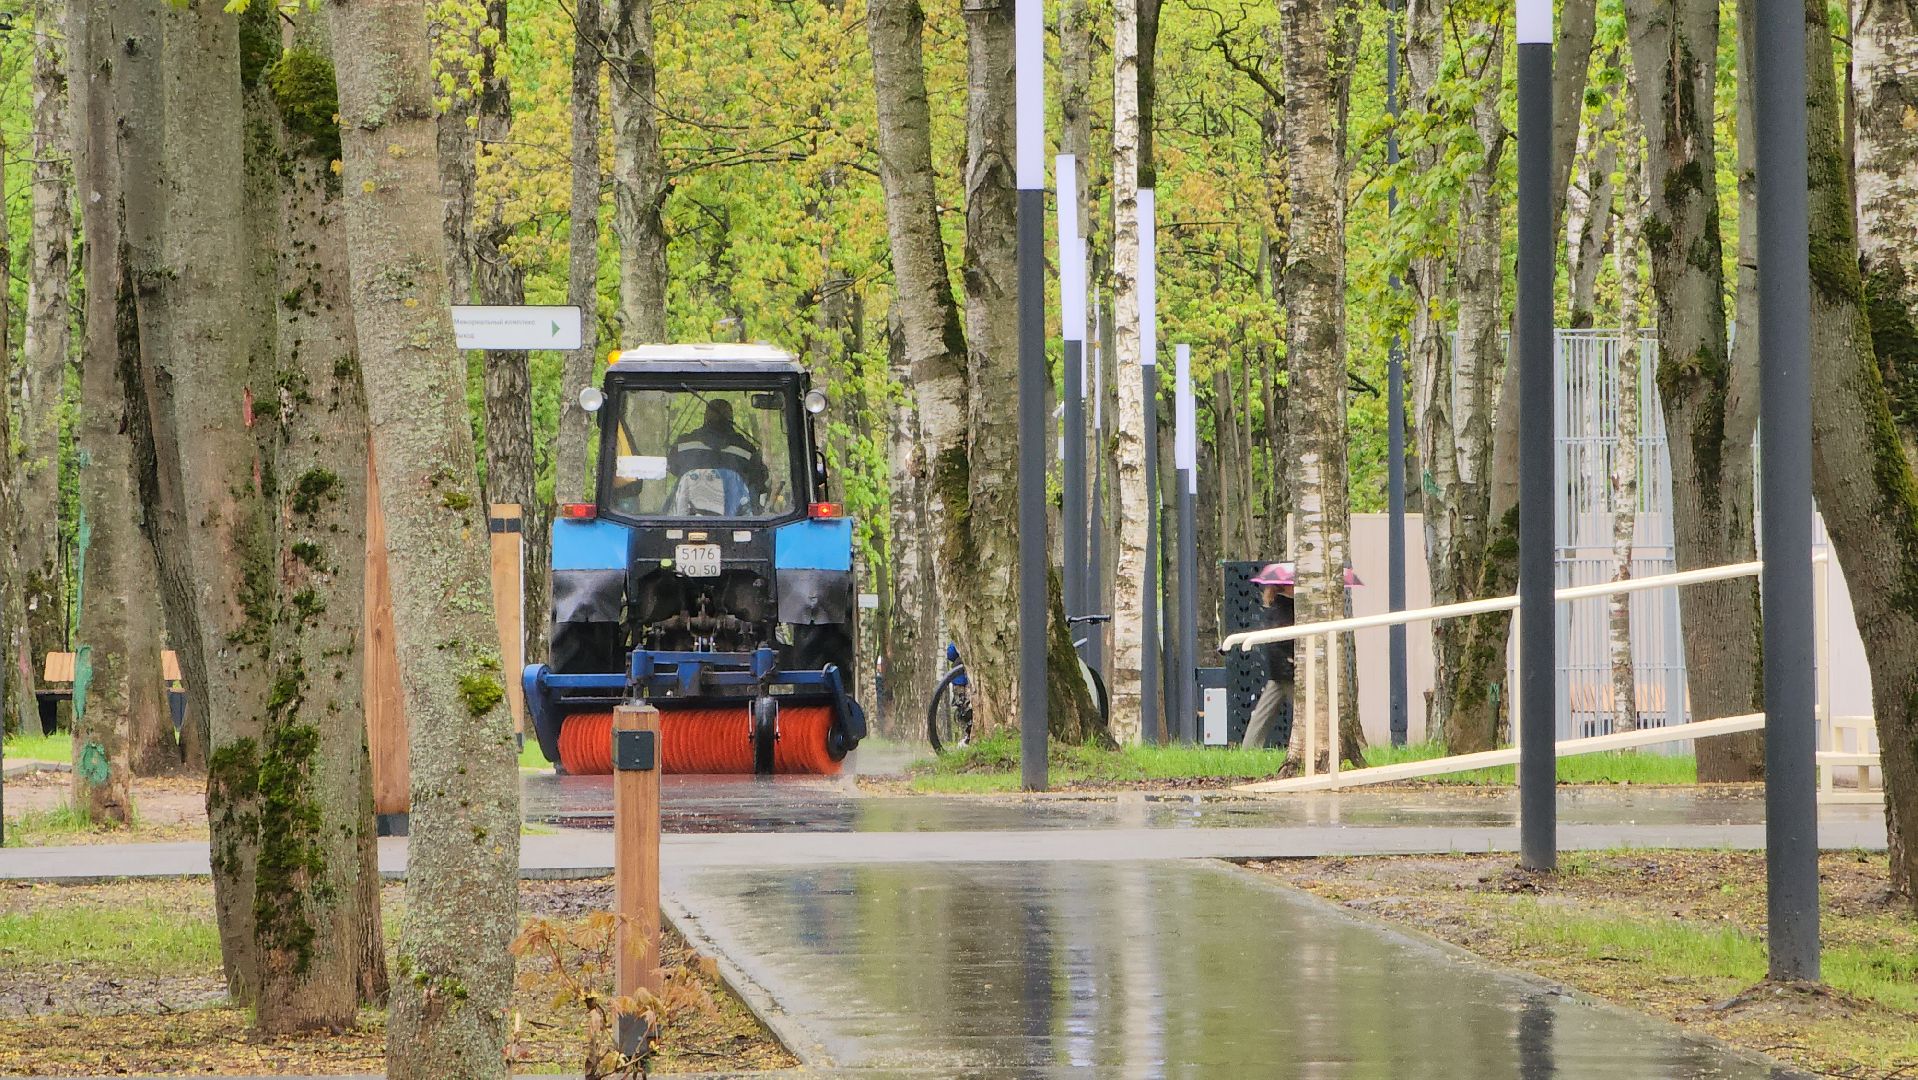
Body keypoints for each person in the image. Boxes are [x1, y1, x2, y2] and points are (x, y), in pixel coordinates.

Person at [667, 399, 769, 513]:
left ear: (705, 417)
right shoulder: (747, 450)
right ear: (731, 419)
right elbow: (758, 479)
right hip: (736, 522)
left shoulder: (683, 445)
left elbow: (673, 468)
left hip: (687, 519)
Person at [1240, 562, 1295, 750]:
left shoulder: (1280, 606)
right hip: (1288, 669)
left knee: (1264, 712)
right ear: (1286, 586)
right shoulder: (1283, 608)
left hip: (1281, 669)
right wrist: (1290, 662)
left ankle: (1249, 747)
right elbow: (1282, 641)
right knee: (1309, 710)